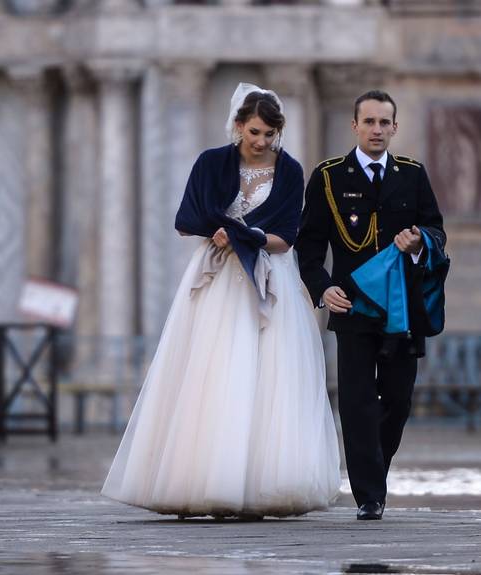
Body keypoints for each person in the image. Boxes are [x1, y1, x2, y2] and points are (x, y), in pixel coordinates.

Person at [102, 83, 341, 518]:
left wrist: (243, 235)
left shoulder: (289, 171)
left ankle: (261, 483)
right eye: (254, 133)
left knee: (270, 375)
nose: (262, 142)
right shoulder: (212, 163)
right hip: (218, 277)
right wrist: (222, 234)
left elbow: (287, 236)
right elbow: (187, 218)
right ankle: (206, 477)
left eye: (270, 134)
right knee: (213, 371)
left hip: (268, 276)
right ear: (237, 127)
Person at [295, 89, 447, 521]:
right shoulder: (328, 177)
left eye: (384, 123)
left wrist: (419, 242)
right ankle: (369, 494)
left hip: (403, 309)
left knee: (398, 400)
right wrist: (323, 289)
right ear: (355, 126)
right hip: (353, 307)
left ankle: (374, 468)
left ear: (395, 128)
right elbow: (309, 247)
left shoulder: (412, 175)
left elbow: (437, 230)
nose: (377, 130)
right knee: (357, 400)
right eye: (369, 122)